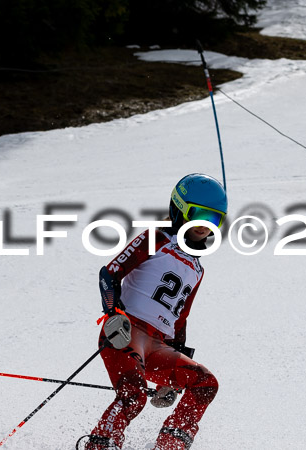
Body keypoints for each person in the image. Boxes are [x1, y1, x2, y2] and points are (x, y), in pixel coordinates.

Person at [78, 173, 228, 450]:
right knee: (133, 395)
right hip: (126, 332)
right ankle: (100, 445)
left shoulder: (197, 269)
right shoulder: (156, 238)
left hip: (158, 345)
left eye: (213, 219)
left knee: (206, 384)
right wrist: (113, 313)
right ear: (179, 208)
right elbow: (109, 273)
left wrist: (173, 378)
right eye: (199, 215)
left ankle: (170, 445)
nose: (204, 225)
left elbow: (180, 320)